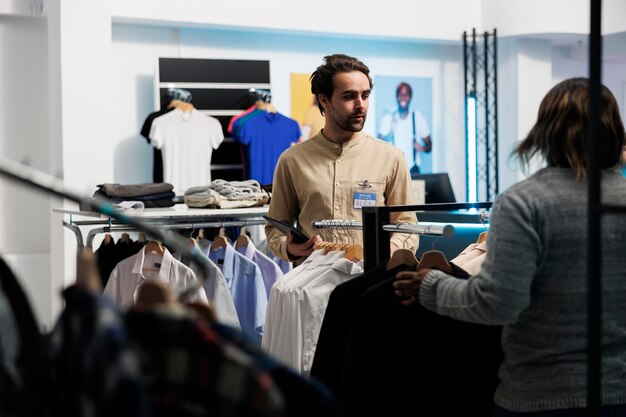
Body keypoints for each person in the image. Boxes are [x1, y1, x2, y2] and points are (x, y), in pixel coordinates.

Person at [393, 77, 626, 416]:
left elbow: (497, 304)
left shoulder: (524, 203)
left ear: (545, 132)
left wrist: (431, 286)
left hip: (538, 396)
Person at [266, 54, 418, 263]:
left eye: (365, 96)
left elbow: (407, 226)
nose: (360, 105)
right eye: (349, 96)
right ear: (324, 100)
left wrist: (388, 250)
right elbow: (275, 226)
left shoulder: (391, 158)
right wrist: (289, 247)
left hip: (370, 281)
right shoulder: (292, 160)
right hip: (312, 282)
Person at [378, 82, 431, 175]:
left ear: (410, 97)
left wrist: (423, 148)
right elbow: (378, 145)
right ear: (397, 96)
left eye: (406, 94)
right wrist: (391, 131)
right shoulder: (388, 117)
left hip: (413, 170)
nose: (403, 97)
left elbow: (429, 146)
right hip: (393, 168)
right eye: (400, 94)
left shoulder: (418, 117)